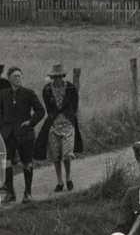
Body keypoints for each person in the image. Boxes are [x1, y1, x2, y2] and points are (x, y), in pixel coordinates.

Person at [34, 64, 83, 192]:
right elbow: (49, 107)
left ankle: (68, 178)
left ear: (63, 76)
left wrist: (69, 117)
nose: (57, 79)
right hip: (53, 124)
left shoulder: (71, 88)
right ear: (51, 77)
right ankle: (59, 181)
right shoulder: (47, 89)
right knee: (55, 155)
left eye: (59, 77)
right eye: (54, 77)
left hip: (67, 124)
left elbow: (75, 105)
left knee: (67, 154)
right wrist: (54, 116)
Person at [0, 66, 45, 203]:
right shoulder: (3, 94)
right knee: (6, 163)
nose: (18, 78)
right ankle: (10, 193)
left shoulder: (28, 93)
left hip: (25, 134)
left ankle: (28, 193)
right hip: (8, 134)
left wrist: (30, 122)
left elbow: (40, 111)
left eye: (20, 76)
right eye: (15, 76)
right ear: (9, 78)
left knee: (27, 162)